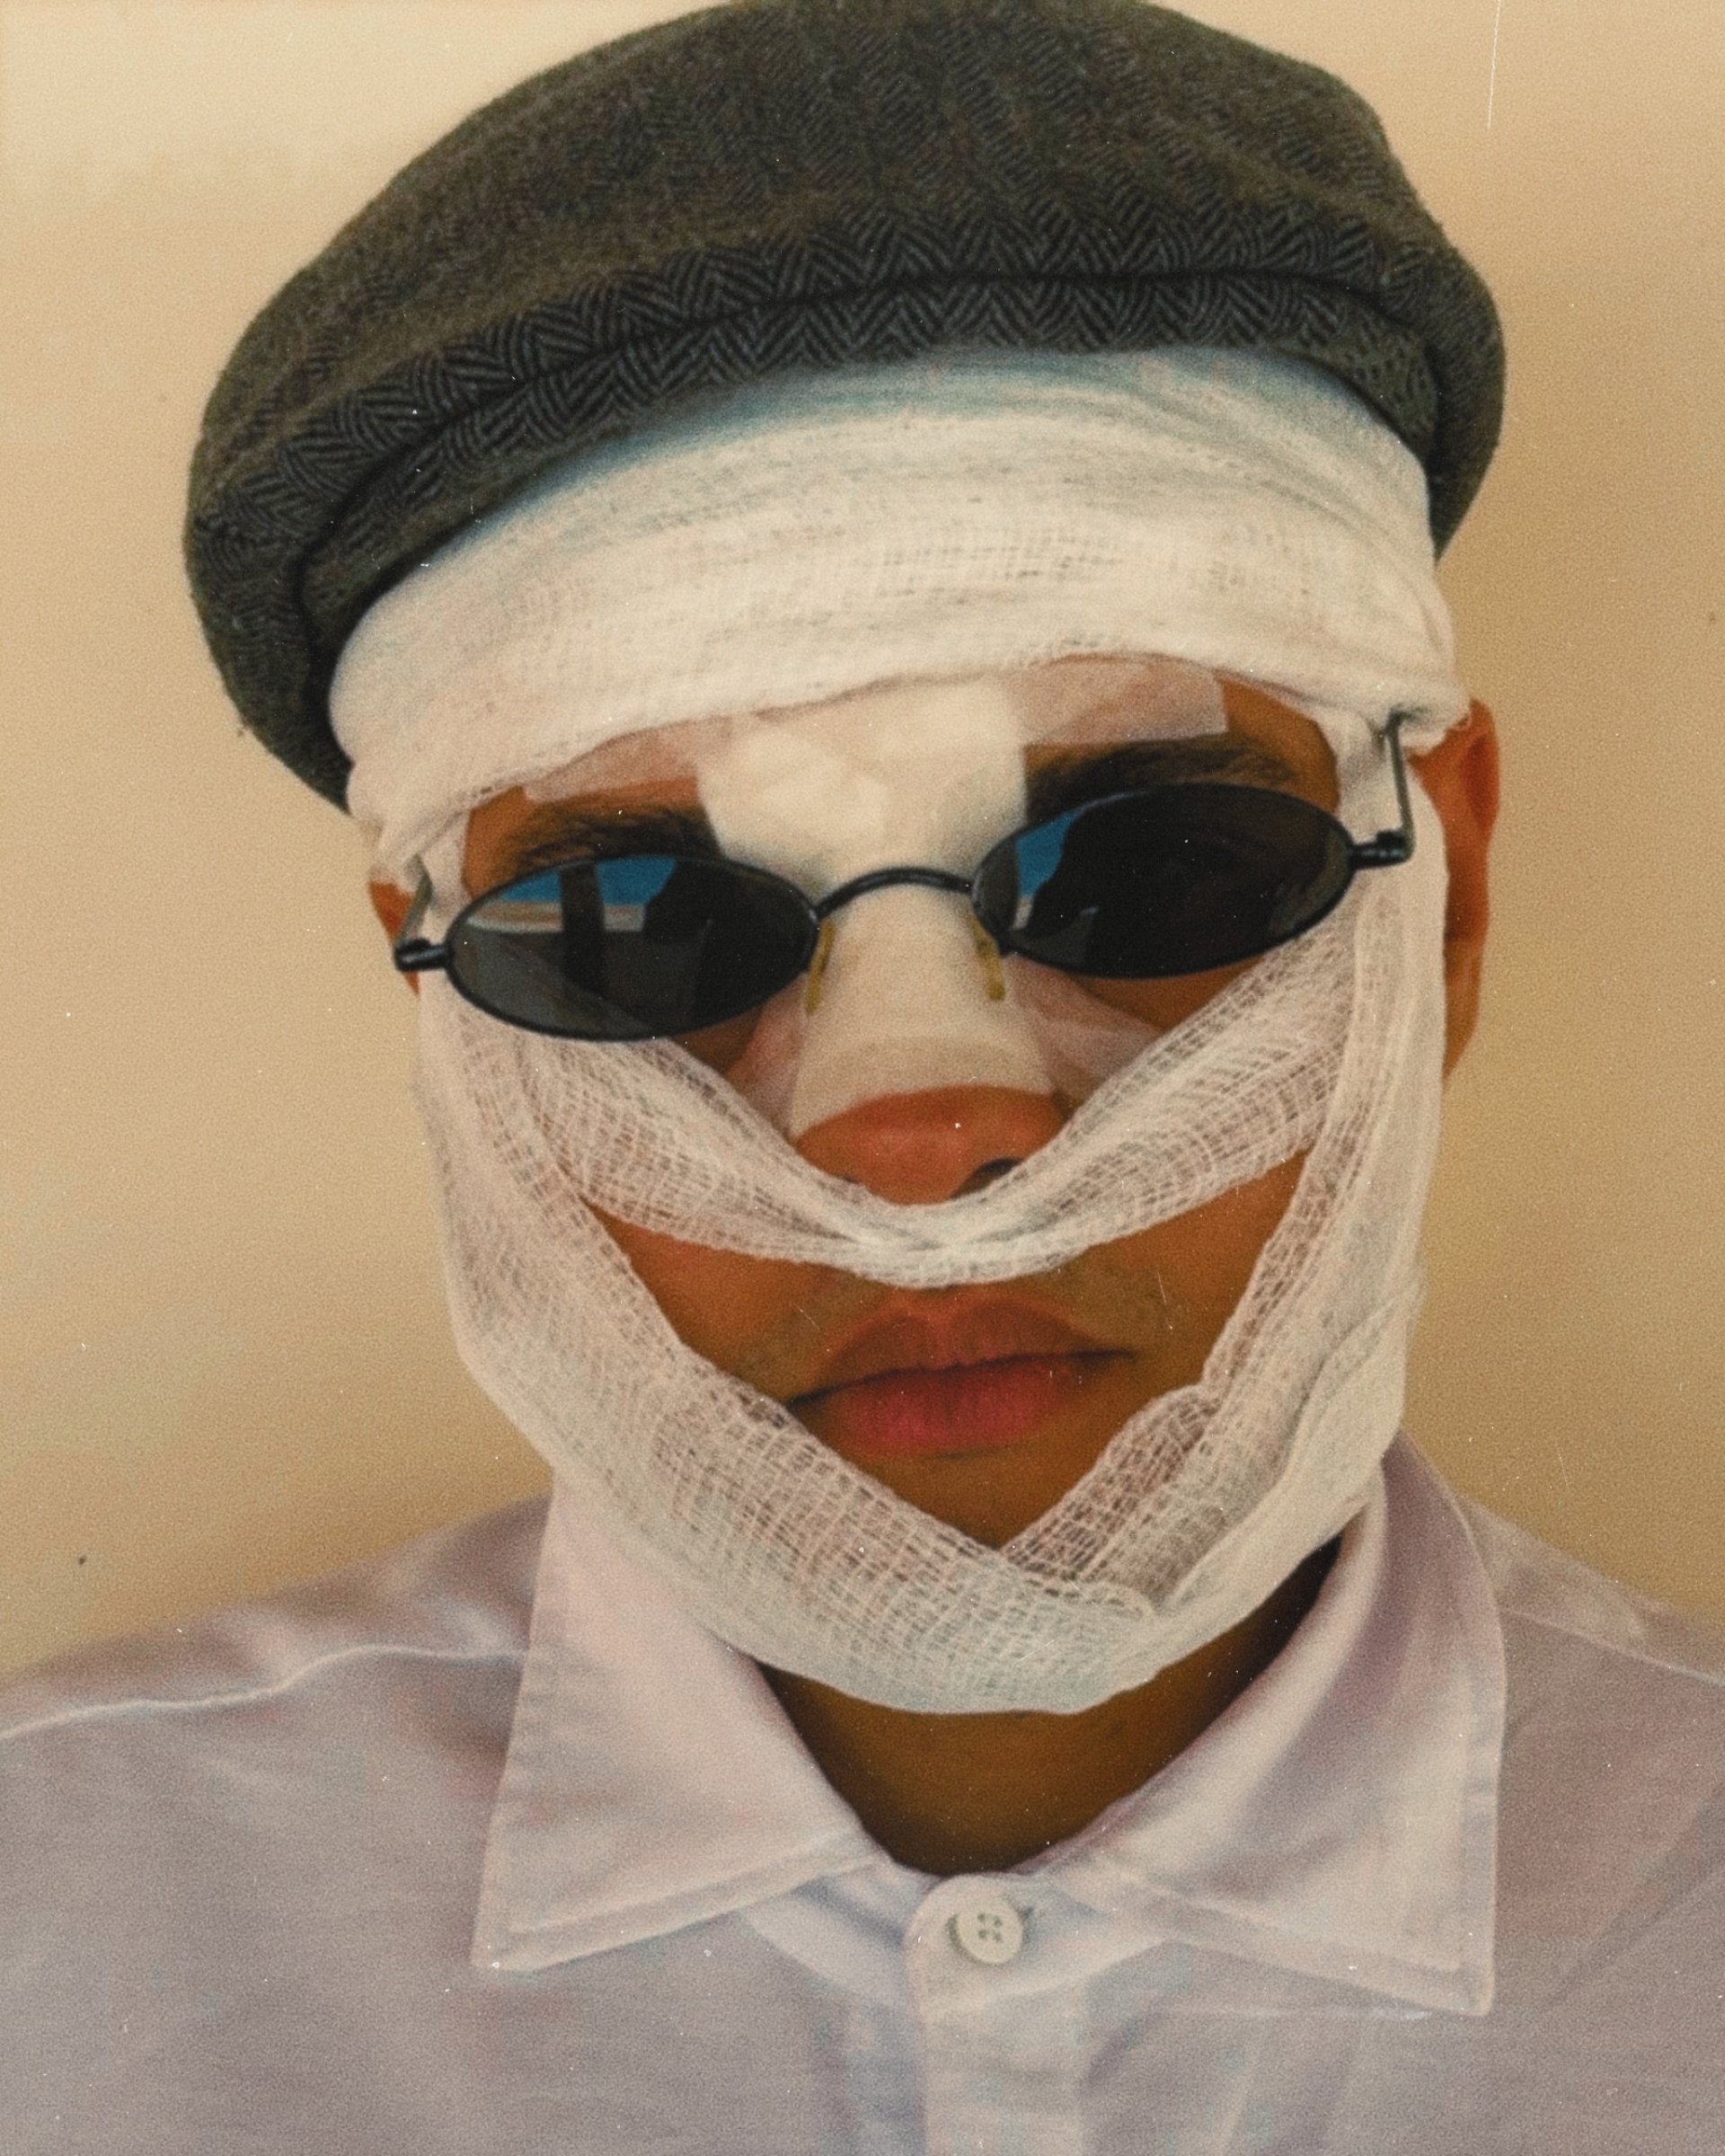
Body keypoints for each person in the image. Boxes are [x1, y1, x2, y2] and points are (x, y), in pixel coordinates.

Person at [3, 2, 1721, 2148]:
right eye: (647, 931)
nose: (921, 1142)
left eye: (1157, 869)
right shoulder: (54, 1930)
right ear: (437, 1005)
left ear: (1441, 894)